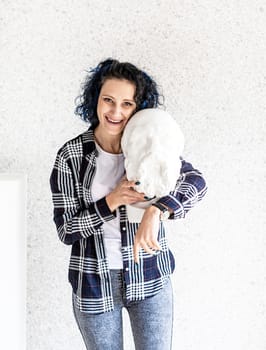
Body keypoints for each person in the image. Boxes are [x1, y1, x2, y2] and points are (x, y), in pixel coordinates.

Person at [49, 58, 207, 350]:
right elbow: (66, 230)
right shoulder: (71, 156)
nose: (116, 112)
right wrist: (111, 201)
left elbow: (196, 182)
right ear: (95, 98)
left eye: (127, 104)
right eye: (108, 100)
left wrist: (158, 211)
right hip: (94, 283)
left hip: (150, 276)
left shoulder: (149, 142)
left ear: (138, 107)